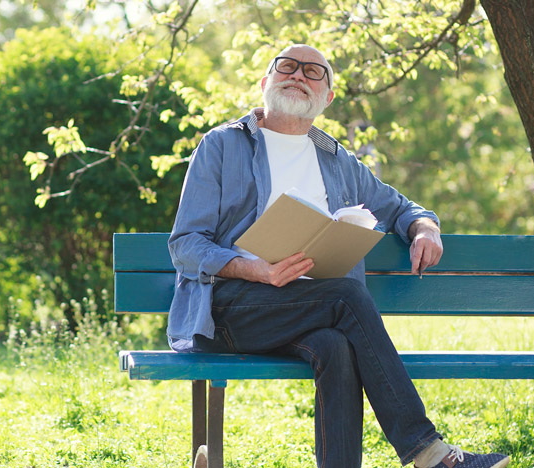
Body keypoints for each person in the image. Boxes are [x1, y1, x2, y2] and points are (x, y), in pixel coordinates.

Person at [167, 44, 510, 468]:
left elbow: (404, 208)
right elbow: (185, 244)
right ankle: (429, 452)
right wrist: (256, 269)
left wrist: (425, 227)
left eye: (313, 71)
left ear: (327, 98)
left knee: (336, 346)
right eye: (287, 66)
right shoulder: (222, 145)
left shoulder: (339, 161)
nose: (297, 75)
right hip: (231, 309)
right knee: (346, 296)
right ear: (265, 82)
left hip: (312, 311)